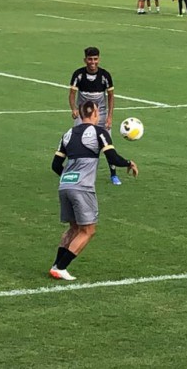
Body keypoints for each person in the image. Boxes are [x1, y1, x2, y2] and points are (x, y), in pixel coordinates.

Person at [50, 100, 139, 280]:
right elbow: (112, 158)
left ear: (82, 114)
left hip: (64, 186)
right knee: (88, 230)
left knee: (73, 228)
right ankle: (61, 267)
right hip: (82, 188)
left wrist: (68, 178)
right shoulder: (99, 132)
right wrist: (129, 163)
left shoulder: (67, 133)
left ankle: (55, 266)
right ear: (95, 113)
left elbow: (55, 165)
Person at [68, 46, 121, 185]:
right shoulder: (78, 75)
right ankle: (73, 170)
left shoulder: (105, 76)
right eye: (90, 59)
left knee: (107, 143)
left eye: (95, 59)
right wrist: (74, 109)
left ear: (99, 59)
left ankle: (113, 174)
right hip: (83, 114)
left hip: (101, 114)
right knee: (77, 141)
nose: (93, 62)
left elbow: (110, 96)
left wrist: (109, 117)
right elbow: (72, 94)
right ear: (85, 60)